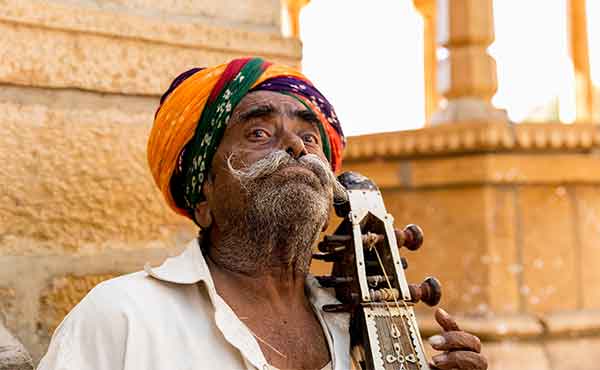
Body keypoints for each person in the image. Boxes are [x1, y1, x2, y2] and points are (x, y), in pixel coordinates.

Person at [38, 57, 487, 370]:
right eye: (258, 132)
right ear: (203, 194)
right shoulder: (123, 318)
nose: (296, 146)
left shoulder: (359, 330)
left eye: (309, 138)